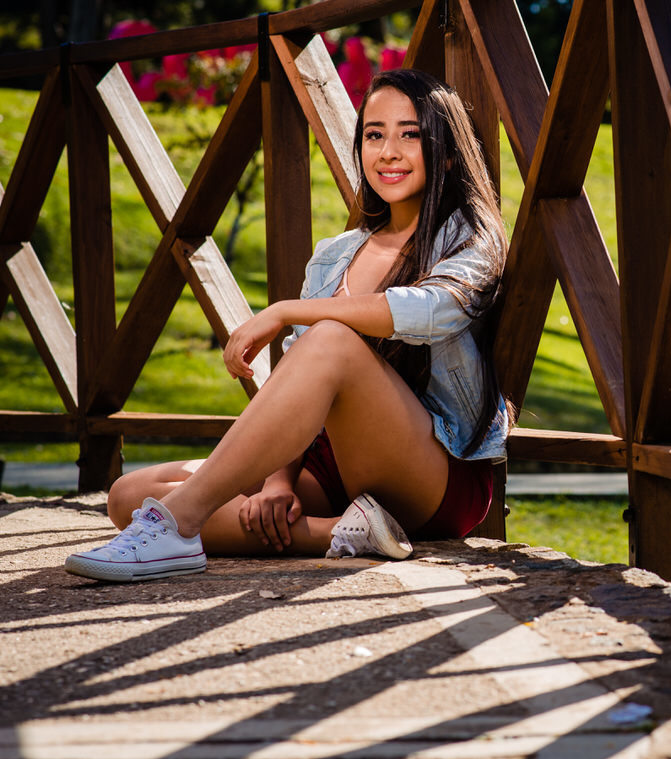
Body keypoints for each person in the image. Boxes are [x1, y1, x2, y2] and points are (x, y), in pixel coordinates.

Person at [65, 69, 510, 582]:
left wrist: (286, 310)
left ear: (448, 152)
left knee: (332, 341)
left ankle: (179, 526)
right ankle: (342, 530)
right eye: (373, 133)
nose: (388, 151)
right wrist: (278, 482)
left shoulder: (468, 238)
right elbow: (301, 385)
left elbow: (433, 310)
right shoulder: (335, 256)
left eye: (410, 134)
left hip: (435, 471)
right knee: (127, 496)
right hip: (335, 469)